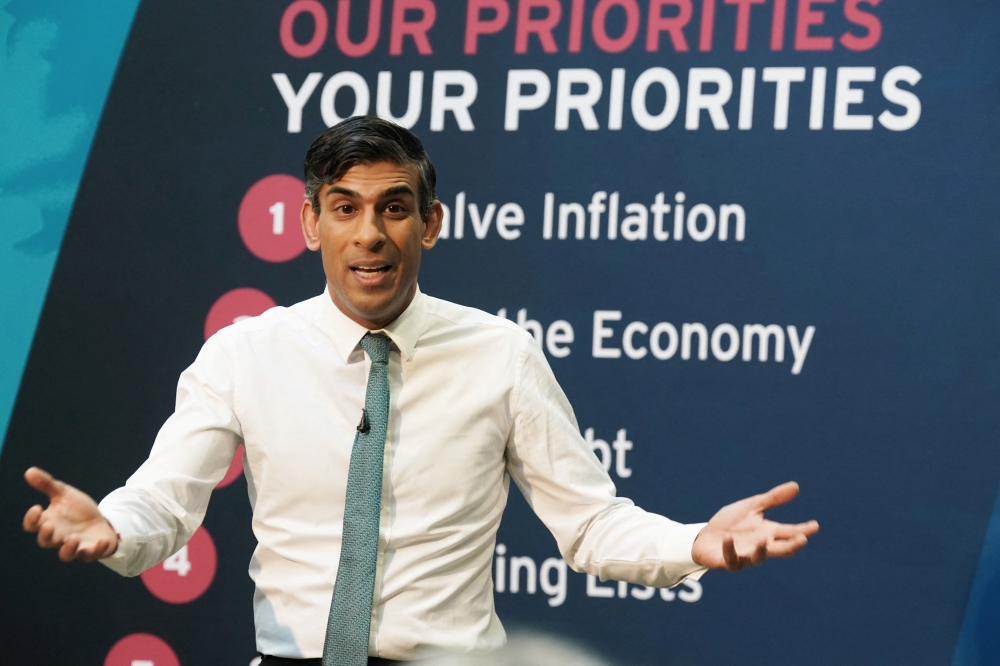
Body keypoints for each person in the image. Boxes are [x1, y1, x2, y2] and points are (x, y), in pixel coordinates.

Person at [22, 117, 819, 665]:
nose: (370, 233)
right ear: (310, 224)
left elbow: (590, 525)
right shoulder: (244, 354)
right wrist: (113, 528)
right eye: (345, 209)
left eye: (393, 209)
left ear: (430, 224)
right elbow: (164, 504)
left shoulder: (502, 356)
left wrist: (695, 543)